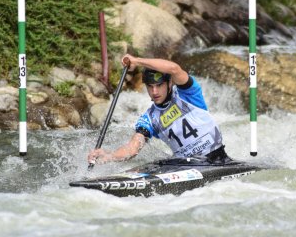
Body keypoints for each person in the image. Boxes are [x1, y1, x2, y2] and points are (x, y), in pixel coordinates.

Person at [87, 54, 230, 165]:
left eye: (159, 85)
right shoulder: (149, 118)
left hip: (216, 158)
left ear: (169, 83)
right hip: (186, 165)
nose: (154, 91)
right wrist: (109, 156)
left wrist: (136, 61)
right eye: (150, 86)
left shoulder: (187, 94)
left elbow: (174, 68)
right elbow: (133, 148)